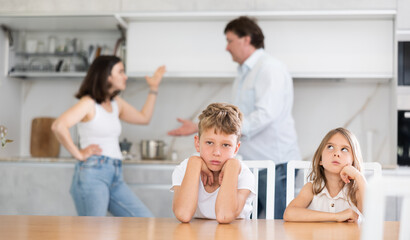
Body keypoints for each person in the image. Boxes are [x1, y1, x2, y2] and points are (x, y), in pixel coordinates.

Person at [168, 16, 300, 219]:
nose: (226, 48)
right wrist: (201, 127)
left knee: (278, 225)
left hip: (274, 163)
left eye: (229, 41)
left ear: (246, 39)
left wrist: (223, 131)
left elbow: (266, 114)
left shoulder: (269, 68)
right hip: (254, 161)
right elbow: (230, 123)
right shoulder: (243, 73)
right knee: (248, 222)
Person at [52, 55, 166, 217]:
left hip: (115, 174)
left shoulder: (115, 103)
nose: (125, 76)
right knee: (94, 233)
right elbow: (58, 126)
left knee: (146, 222)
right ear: (106, 75)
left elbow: (144, 118)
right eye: (120, 71)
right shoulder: (88, 103)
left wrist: (153, 88)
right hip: (93, 173)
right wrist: (78, 153)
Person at [171, 103, 255, 224]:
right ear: (197, 143)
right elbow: (183, 214)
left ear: (236, 149)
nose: (216, 152)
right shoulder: (185, 168)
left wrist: (233, 166)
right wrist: (194, 163)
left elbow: (224, 216)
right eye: (209, 143)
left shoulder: (244, 175)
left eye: (226, 145)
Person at [283, 127, 366, 222]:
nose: (336, 153)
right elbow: (289, 213)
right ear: (320, 160)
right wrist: (337, 216)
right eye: (330, 147)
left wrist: (358, 176)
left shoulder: (356, 192)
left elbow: (373, 215)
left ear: (353, 161)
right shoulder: (311, 188)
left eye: (344, 149)